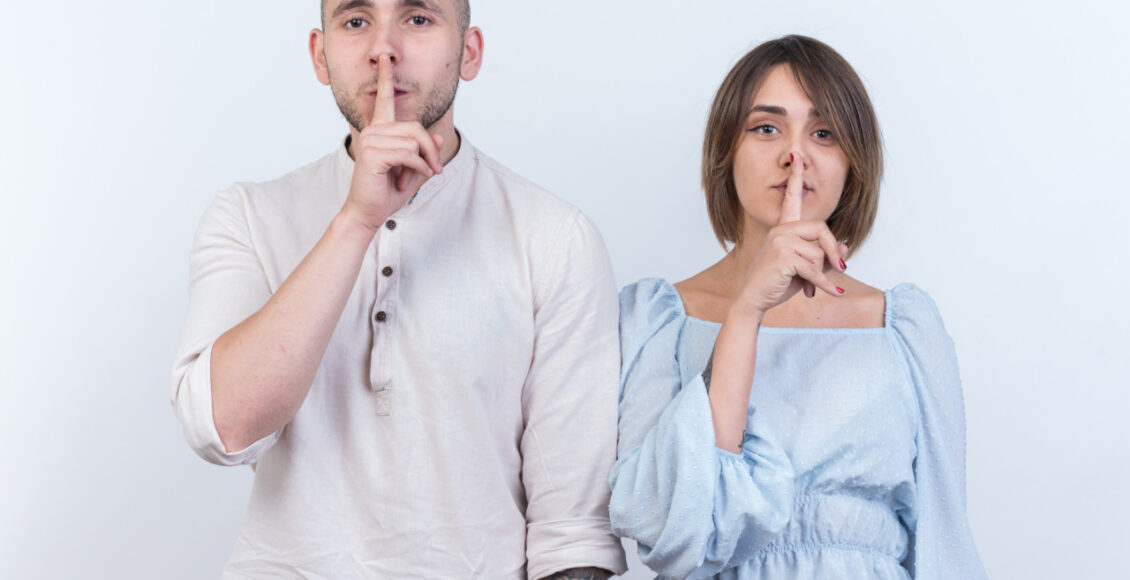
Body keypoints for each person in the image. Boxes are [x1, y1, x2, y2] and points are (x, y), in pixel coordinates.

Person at [170, 1, 626, 578]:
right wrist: (357, 221)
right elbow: (223, 429)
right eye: (356, 20)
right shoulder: (248, 216)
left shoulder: (555, 237)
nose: (384, 48)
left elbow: (572, 534)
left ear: (470, 52)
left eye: (417, 18)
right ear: (320, 55)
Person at [608, 35, 987, 579]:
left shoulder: (905, 329)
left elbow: (944, 545)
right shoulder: (655, 319)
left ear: (854, 163)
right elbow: (670, 526)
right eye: (766, 127)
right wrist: (744, 314)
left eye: (824, 133)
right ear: (726, 150)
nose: (796, 155)